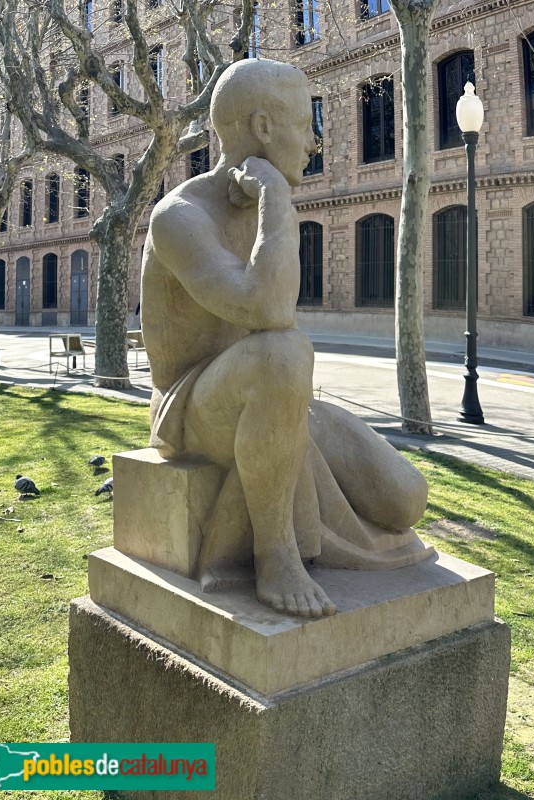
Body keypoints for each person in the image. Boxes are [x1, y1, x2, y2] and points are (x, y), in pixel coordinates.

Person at [141, 59, 432, 619]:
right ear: (265, 127)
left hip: (269, 394)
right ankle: (276, 555)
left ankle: (283, 463)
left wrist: (272, 196)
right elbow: (268, 309)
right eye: (307, 123)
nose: (316, 142)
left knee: (404, 498)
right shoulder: (177, 217)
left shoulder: (265, 196)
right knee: (285, 351)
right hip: (192, 406)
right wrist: (276, 195)